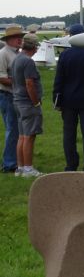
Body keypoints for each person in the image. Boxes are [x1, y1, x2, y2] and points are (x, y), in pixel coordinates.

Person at [53, 24, 84, 171]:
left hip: (68, 100)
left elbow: (59, 81)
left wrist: (57, 100)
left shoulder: (64, 55)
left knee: (69, 133)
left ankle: (71, 164)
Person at [11, 33, 44, 177]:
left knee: (22, 136)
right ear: (34, 46)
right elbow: (30, 83)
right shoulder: (28, 62)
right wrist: (36, 102)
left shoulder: (17, 58)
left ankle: (20, 167)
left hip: (17, 101)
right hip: (27, 103)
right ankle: (28, 169)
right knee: (30, 136)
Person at [0, 26, 25, 173]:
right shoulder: (3, 54)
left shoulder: (17, 53)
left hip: (15, 96)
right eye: (16, 37)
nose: (20, 39)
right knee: (12, 129)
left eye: (20, 37)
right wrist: (20, 83)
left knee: (17, 129)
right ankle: (9, 164)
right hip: (7, 95)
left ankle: (15, 160)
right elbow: (1, 78)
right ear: (8, 39)